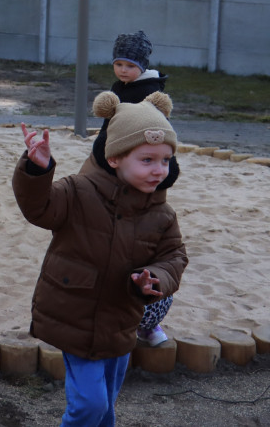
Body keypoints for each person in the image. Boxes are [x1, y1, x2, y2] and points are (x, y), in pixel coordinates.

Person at [14, 91, 187, 426]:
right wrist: (38, 170)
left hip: (122, 322)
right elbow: (40, 209)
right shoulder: (78, 192)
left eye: (165, 160)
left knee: (106, 406)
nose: (158, 170)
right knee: (90, 406)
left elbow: (174, 257)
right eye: (147, 160)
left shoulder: (162, 214)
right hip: (75, 318)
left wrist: (154, 277)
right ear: (115, 158)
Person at [91, 29, 180, 346]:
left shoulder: (150, 93)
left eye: (129, 65)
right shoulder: (120, 89)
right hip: (116, 169)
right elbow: (108, 130)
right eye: (118, 64)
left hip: (140, 174)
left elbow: (157, 134)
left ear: (142, 65)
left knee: (146, 250)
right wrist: (102, 156)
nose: (123, 70)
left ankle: (149, 324)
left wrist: (158, 168)